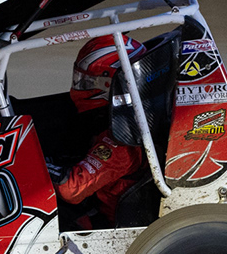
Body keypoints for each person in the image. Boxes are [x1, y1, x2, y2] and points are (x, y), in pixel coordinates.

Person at [49, 35, 158, 230]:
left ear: (112, 83)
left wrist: (37, 163)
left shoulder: (124, 138)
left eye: (87, 81)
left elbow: (71, 190)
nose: (80, 86)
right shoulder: (131, 118)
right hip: (98, 208)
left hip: (106, 227)